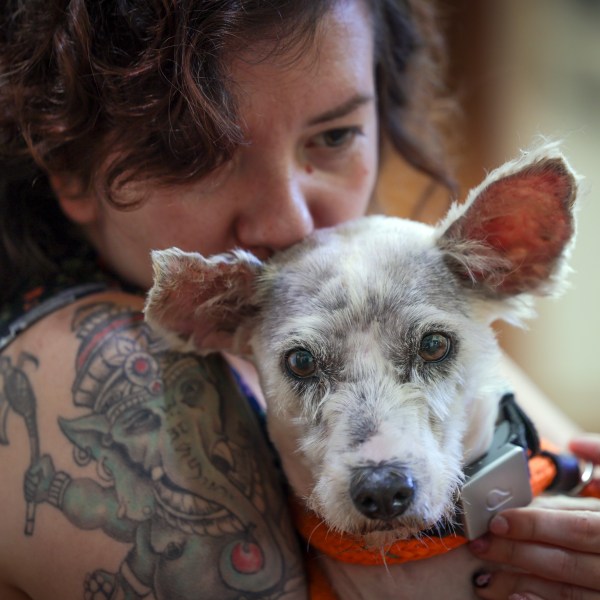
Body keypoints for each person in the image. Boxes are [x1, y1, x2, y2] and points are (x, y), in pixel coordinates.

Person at [0, 1, 597, 599]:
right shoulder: (96, 359)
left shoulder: (388, 300)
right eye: (197, 155)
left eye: (335, 135)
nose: (289, 222)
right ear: (68, 168)